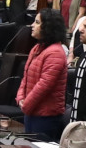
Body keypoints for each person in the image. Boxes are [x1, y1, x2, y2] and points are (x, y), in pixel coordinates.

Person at [16, 8, 68, 139]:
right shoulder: (37, 48)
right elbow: (26, 77)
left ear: (48, 27)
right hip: (31, 112)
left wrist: (26, 105)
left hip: (46, 117)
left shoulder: (55, 52)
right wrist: (20, 97)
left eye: (37, 22)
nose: (32, 25)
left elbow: (44, 85)